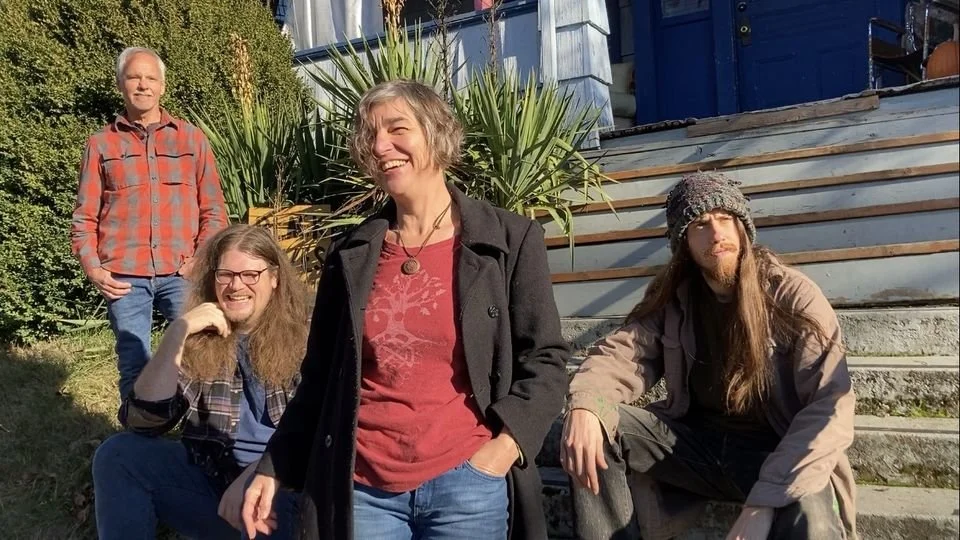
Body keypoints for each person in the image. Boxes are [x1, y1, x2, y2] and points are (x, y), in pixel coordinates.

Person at [241, 79, 570, 540]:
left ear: (437, 133)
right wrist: (274, 466)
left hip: (468, 484)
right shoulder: (350, 253)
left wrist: (503, 449)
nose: (380, 146)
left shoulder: (508, 241)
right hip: (364, 490)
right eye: (370, 135)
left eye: (397, 129)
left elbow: (546, 360)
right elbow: (319, 378)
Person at [561, 171, 857, 540]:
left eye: (725, 219)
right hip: (695, 449)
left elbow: (830, 405)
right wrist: (586, 404)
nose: (716, 234)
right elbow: (620, 354)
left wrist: (763, 502)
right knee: (595, 424)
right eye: (700, 224)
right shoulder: (674, 298)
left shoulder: (793, 296)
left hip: (780, 452)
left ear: (743, 229)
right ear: (684, 241)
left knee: (811, 519)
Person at [91, 224, 308, 539]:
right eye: (225, 275)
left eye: (250, 275)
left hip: (283, 486)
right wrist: (177, 334)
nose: (236, 285)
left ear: (274, 278)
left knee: (276, 504)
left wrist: (259, 472)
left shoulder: (306, 335)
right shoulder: (203, 337)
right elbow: (142, 422)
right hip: (213, 483)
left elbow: (325, 432)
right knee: (118, 455)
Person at [71, 46, 229, 400]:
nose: (143, 85)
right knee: (134, 363)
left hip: (181, 272)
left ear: (162, 86)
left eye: (150, 78)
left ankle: (199, 427)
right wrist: (94, 268)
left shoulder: (191, 139)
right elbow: (84, 215)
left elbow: (214, 210)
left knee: (201, 355)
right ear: (120, 84)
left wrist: (199, 260)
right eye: (134, 77)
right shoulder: (101, 144)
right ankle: (138, 429)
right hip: (123, 277)